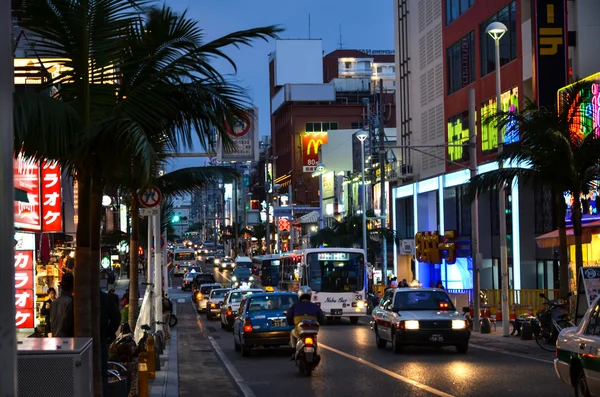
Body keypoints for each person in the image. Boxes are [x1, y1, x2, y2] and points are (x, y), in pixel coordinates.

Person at [286, 286, 324, 360]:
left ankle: (294, 351)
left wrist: (290, 323)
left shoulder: (295, 306)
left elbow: (289, 317)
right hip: (313, 332)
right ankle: (315, 352)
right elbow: (321, 318)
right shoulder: (315, 306)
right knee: (315, 338)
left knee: (292, 333)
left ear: (299, 295)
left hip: (300, 332)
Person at [100, 289, 121, 397]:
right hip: (101, 340)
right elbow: (116, 317)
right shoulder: (105, 298)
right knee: (102, 375)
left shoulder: (77, 300)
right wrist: (109, 332)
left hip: (82, 342)